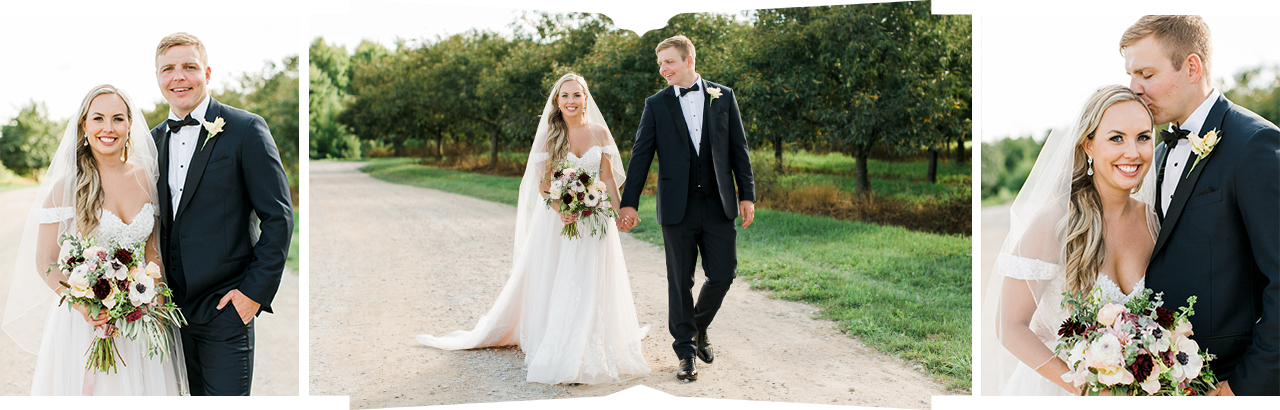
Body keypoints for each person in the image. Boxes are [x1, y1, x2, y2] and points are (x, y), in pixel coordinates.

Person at [417, 73, 651, 385]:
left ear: (585, 99)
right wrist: (562, 210)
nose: (570, 101)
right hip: (559, 221)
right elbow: (543, 185)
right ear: (557, 101)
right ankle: (560, 342)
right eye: (564, 95)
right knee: (562, 276)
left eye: (576, 95)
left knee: (592, 276)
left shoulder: (599, 133)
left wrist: (620, 210)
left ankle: (591, 339)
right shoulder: (550, 137)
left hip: (595, 218)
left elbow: (607, 177)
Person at [1121, 15, 1279, 396]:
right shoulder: (1154, 155)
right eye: (1130, 75)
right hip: (1167, 383)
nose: (1133, 88)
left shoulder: (1255, 145)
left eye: (1145, 73)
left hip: (1230, 384)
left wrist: (1244, 388)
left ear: (1192, 67)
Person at [2, 84, 188, 395]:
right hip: (84, 323)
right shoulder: (67, 185)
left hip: (140, 318)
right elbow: (45, 260)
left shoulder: (146, 179)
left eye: (117, 119)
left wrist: (155, 301)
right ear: (84, 125)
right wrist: (85, 304)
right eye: (98, 118)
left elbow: (152, 254)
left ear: (130, 125)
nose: (108, 128)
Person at [986, 85, 1159, 395]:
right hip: (1061, 390)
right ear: (1088, 145)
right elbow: (1009, 326)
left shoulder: (1154, 222)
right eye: (1116, 138)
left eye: (1143, 137)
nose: (1132, 152)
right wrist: (1088, 390)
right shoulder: (1055, 222)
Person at [152, 32, 294, 396]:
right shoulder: (151, 142)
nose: (178, 76)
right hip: (167, 313)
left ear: (208, 73)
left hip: (225, 308)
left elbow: (278, 217)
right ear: (158, 77)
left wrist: (253, 294)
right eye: (168, 69)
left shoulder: (246, 129)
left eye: (189, 67)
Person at [617, 35, 756, 382]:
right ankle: (685, 353)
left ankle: (698, 326)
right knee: (680, 281)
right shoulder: (656, 104)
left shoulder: (723, 97)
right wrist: (629, 203)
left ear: (689, 59)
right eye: (660, 63)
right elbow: (641, 156)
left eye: (669, 62)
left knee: (724, 273)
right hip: (676, 206)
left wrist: (747, 194)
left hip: (718, 202)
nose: (663, 69)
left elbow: (739, 147)